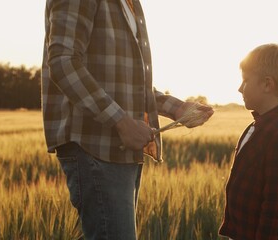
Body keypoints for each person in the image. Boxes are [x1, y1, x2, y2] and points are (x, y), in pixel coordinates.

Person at [41, 0, 213, 239]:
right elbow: (63, 62)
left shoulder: (130, 4)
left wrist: (177, 108)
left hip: (119, 151)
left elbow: (128, 86)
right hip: (94, 148)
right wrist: (121, 121)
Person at [218, 43, 278, 240]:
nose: (239, 88)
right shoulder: (258, 127)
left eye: (246, 81)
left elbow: (276, 199)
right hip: (246, 233)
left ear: (267, 84)